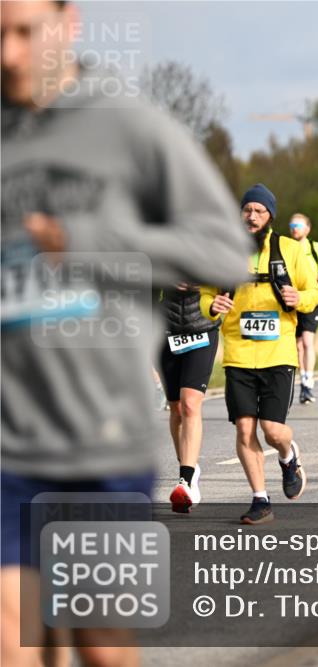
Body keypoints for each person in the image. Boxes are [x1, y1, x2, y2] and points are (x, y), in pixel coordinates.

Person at [2, 2, 250, 664]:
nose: (9, 54)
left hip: (98, 442)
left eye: (24, 32)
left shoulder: (128, 127)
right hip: (8, 443)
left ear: (68, 23)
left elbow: (225, 251)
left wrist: (86, 240)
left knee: (101, 646)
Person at [201, 184, 318, 524]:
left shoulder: (290, 250)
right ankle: (260, 499)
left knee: (273, 430)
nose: (251, 217)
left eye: (259, 211)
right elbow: (205, 294)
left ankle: (288, 454)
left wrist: (302, 300)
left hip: (278, 352)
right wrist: (212, 304)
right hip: (238, 353)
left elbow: (311, 289)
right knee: (243, 429)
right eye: (246, 210)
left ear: (270, 216)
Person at [159, 283, 220, 512]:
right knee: (175, 407)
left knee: (190, 404)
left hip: (202, 327)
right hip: (166, 329)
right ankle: (190, 464)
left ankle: (185, 479)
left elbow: (227, 275)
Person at [288, 213, 318, 405]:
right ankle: (302, 378)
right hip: (293, 300)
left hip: (311, 299)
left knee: (307, 341)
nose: (294, 228)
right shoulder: (286, 247)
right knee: (296, 345)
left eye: (298, 225)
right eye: (292, 225)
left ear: (307, 229)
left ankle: (308, 381)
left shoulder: (315, 246)